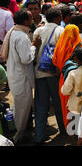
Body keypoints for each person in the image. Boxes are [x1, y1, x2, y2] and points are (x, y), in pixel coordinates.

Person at [4, 10, 41, 144]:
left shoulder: (14, 32)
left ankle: (16, 133)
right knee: (22, 108)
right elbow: (26, 59)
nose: (32, 21)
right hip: (22, 77)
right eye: (31, 19)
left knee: (19, 106)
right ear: (25, 21)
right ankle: (16, 137)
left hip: (16, 75)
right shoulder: (22, 36)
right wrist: (34, 47)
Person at [32, 8, 67, 144]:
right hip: (55, 73)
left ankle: (39, 135)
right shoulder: (60, 31)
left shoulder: (38, 30)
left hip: (39, 71)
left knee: (41, 103)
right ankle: (63, 130)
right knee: (58, 103)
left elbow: (33, 50)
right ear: (58, 18)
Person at [52, 24, 82, 128]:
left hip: (63, 80)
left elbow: (55, 62)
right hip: (79, 79)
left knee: (66, 105)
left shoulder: (59, 47)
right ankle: (79, 130)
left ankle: (69, 128)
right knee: (79, 104)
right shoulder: (81, 48)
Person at [61, 47, 82, 142]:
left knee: (73, 133)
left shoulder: (72, 74)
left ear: (77, 59)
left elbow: (64, 91)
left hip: (75, 109)